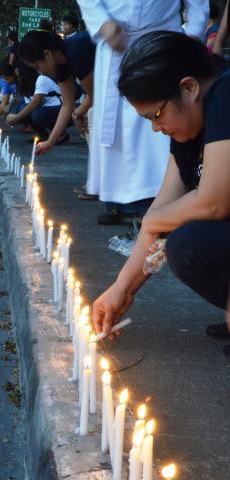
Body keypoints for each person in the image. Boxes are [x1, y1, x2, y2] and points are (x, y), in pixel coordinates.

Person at [92, 30, 230, 356]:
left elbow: (214, 202)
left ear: (188, 87)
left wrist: (156, 222)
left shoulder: (226, 95)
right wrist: (122, 289)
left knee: (191, 242)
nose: (156, 128)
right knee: (186, 245)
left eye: (155, 116)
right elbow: (165, 204)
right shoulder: (188, 126)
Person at [76, 0, 209, 224]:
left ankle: (158, 199)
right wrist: (103, 23)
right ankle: (116, 199)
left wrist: (194, 34)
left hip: (161, 40)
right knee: (119, 129)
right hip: (115, 40)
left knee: (160, 124)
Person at [19, 30, 95, 154]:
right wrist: (50, 142)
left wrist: (78, 113)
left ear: (47, 54)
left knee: (92, 118)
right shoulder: (60, 65)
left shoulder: (76, 52)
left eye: (37, 67)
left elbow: (94, 96)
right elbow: (67, 105)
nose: (39, 72)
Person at [7, 71, 67, 142]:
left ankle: (60, 133)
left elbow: (36, 103)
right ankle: (43, 135)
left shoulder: (41, 79)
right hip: (45, 108)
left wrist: (16, 117)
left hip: (59, 107)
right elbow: (28, 106)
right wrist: (14, 116)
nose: (18, 78)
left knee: (37, 115)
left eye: (19, 75)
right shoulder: (25, 85)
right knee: (22, 109)